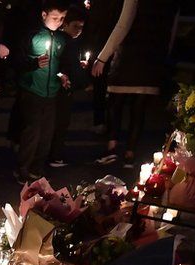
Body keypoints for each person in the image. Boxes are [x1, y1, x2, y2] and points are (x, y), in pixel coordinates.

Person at [91, 0, 177, 168]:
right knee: (139, 109)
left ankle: (112, 148)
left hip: (129, 57)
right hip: (152, 59)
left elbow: (123, 25)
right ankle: (130, 154)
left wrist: (102, 57)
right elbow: (172, 31)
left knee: (115, 104)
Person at [12, 0, 70, 183]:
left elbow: (61, 64)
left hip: (51, 93)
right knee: (32, 132)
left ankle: (37, 168)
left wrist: (63, 76)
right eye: (55, 18)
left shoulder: (61, 39)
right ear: (44, 15)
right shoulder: (31, 36)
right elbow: (17, 62)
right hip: (32, 91)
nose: (59, 22)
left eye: (62, 18)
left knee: (47, 133)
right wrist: (33, 64)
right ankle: (22, 169)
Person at [48, 4, 88, 168]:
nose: (79, 30)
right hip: (62, 89)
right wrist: (83, 80)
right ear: (65, 24)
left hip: (57, 87)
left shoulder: (60, 39)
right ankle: (55, 156)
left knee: (56, 122)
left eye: (81, 27)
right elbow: (67, 65)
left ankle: (53, 154)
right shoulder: (68, 42)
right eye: (75, 26)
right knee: (61, 122)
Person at [84, 0, 122, 132]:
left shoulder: (101, 7)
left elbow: (92, 26)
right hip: (109, 45)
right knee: (105, 87)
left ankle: (101, 122)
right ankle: (106, 124)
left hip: (101, 45)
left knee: (101, 86)